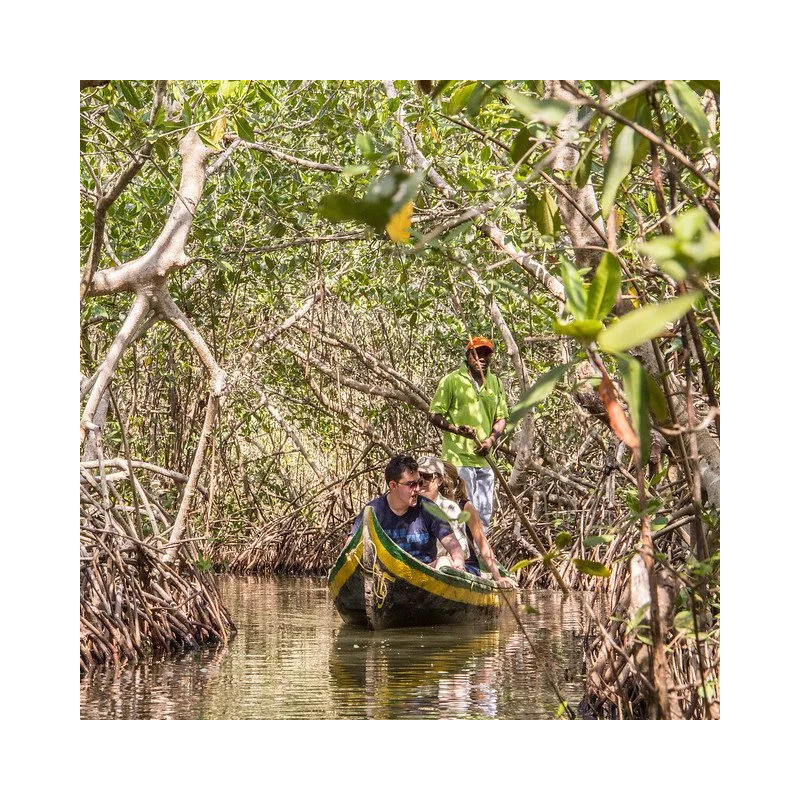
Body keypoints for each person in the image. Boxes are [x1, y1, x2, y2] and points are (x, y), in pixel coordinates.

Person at [429, 336, 508, 536]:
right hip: (458, 459)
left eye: (485, 354)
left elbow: (502, 418)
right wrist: (456, 429)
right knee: (461, 511)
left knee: (484, 514)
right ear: (467, 355)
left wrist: (490, 440)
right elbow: (434, 414)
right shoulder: (452, 380)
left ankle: (481, 559)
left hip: (484, 460)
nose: (481, 358)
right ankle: (462, 557)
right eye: (476, 353)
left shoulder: (495, 384)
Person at [349, 453, 467, 570]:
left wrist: (458, 561)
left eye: (419, 482)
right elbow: (350, 547)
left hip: (427, 576)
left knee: (444, 561)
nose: (417, 489)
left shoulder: (429, 508)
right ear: (393, 485)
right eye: (411, 485)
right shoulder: (374, 510)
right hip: (385, 576)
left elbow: (453, 544)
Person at [418, 455, 516, 589]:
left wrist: (497, 577)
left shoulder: (459, 506)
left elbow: (482, 543)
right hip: (434, 563)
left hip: (462, 564)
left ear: (441, 480)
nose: (421, 482)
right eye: (418, 478)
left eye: (427, 477)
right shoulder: (415, 504)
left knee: (444, 563)